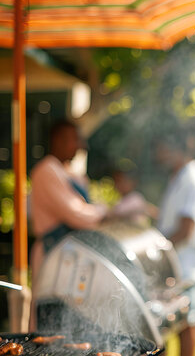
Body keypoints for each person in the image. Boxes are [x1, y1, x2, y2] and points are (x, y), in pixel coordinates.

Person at [29, 119, 107, 328]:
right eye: (75, 139)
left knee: (70, 320)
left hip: (69, 256)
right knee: (51, 318)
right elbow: (77, 215)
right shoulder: (46, 170)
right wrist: (104, 212)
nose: (81, 146)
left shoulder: (67, 172)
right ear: (57, 140)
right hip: (52, 255)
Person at [154, 130, 195, 356]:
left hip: (187, 266)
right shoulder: (179, 177)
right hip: (175, 265)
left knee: (187, 322)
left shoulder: (193, 180)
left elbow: (185, 230)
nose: (159, 154)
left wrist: (155, 248)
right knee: (171, 322)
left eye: (163, 148)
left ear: (177, 149)